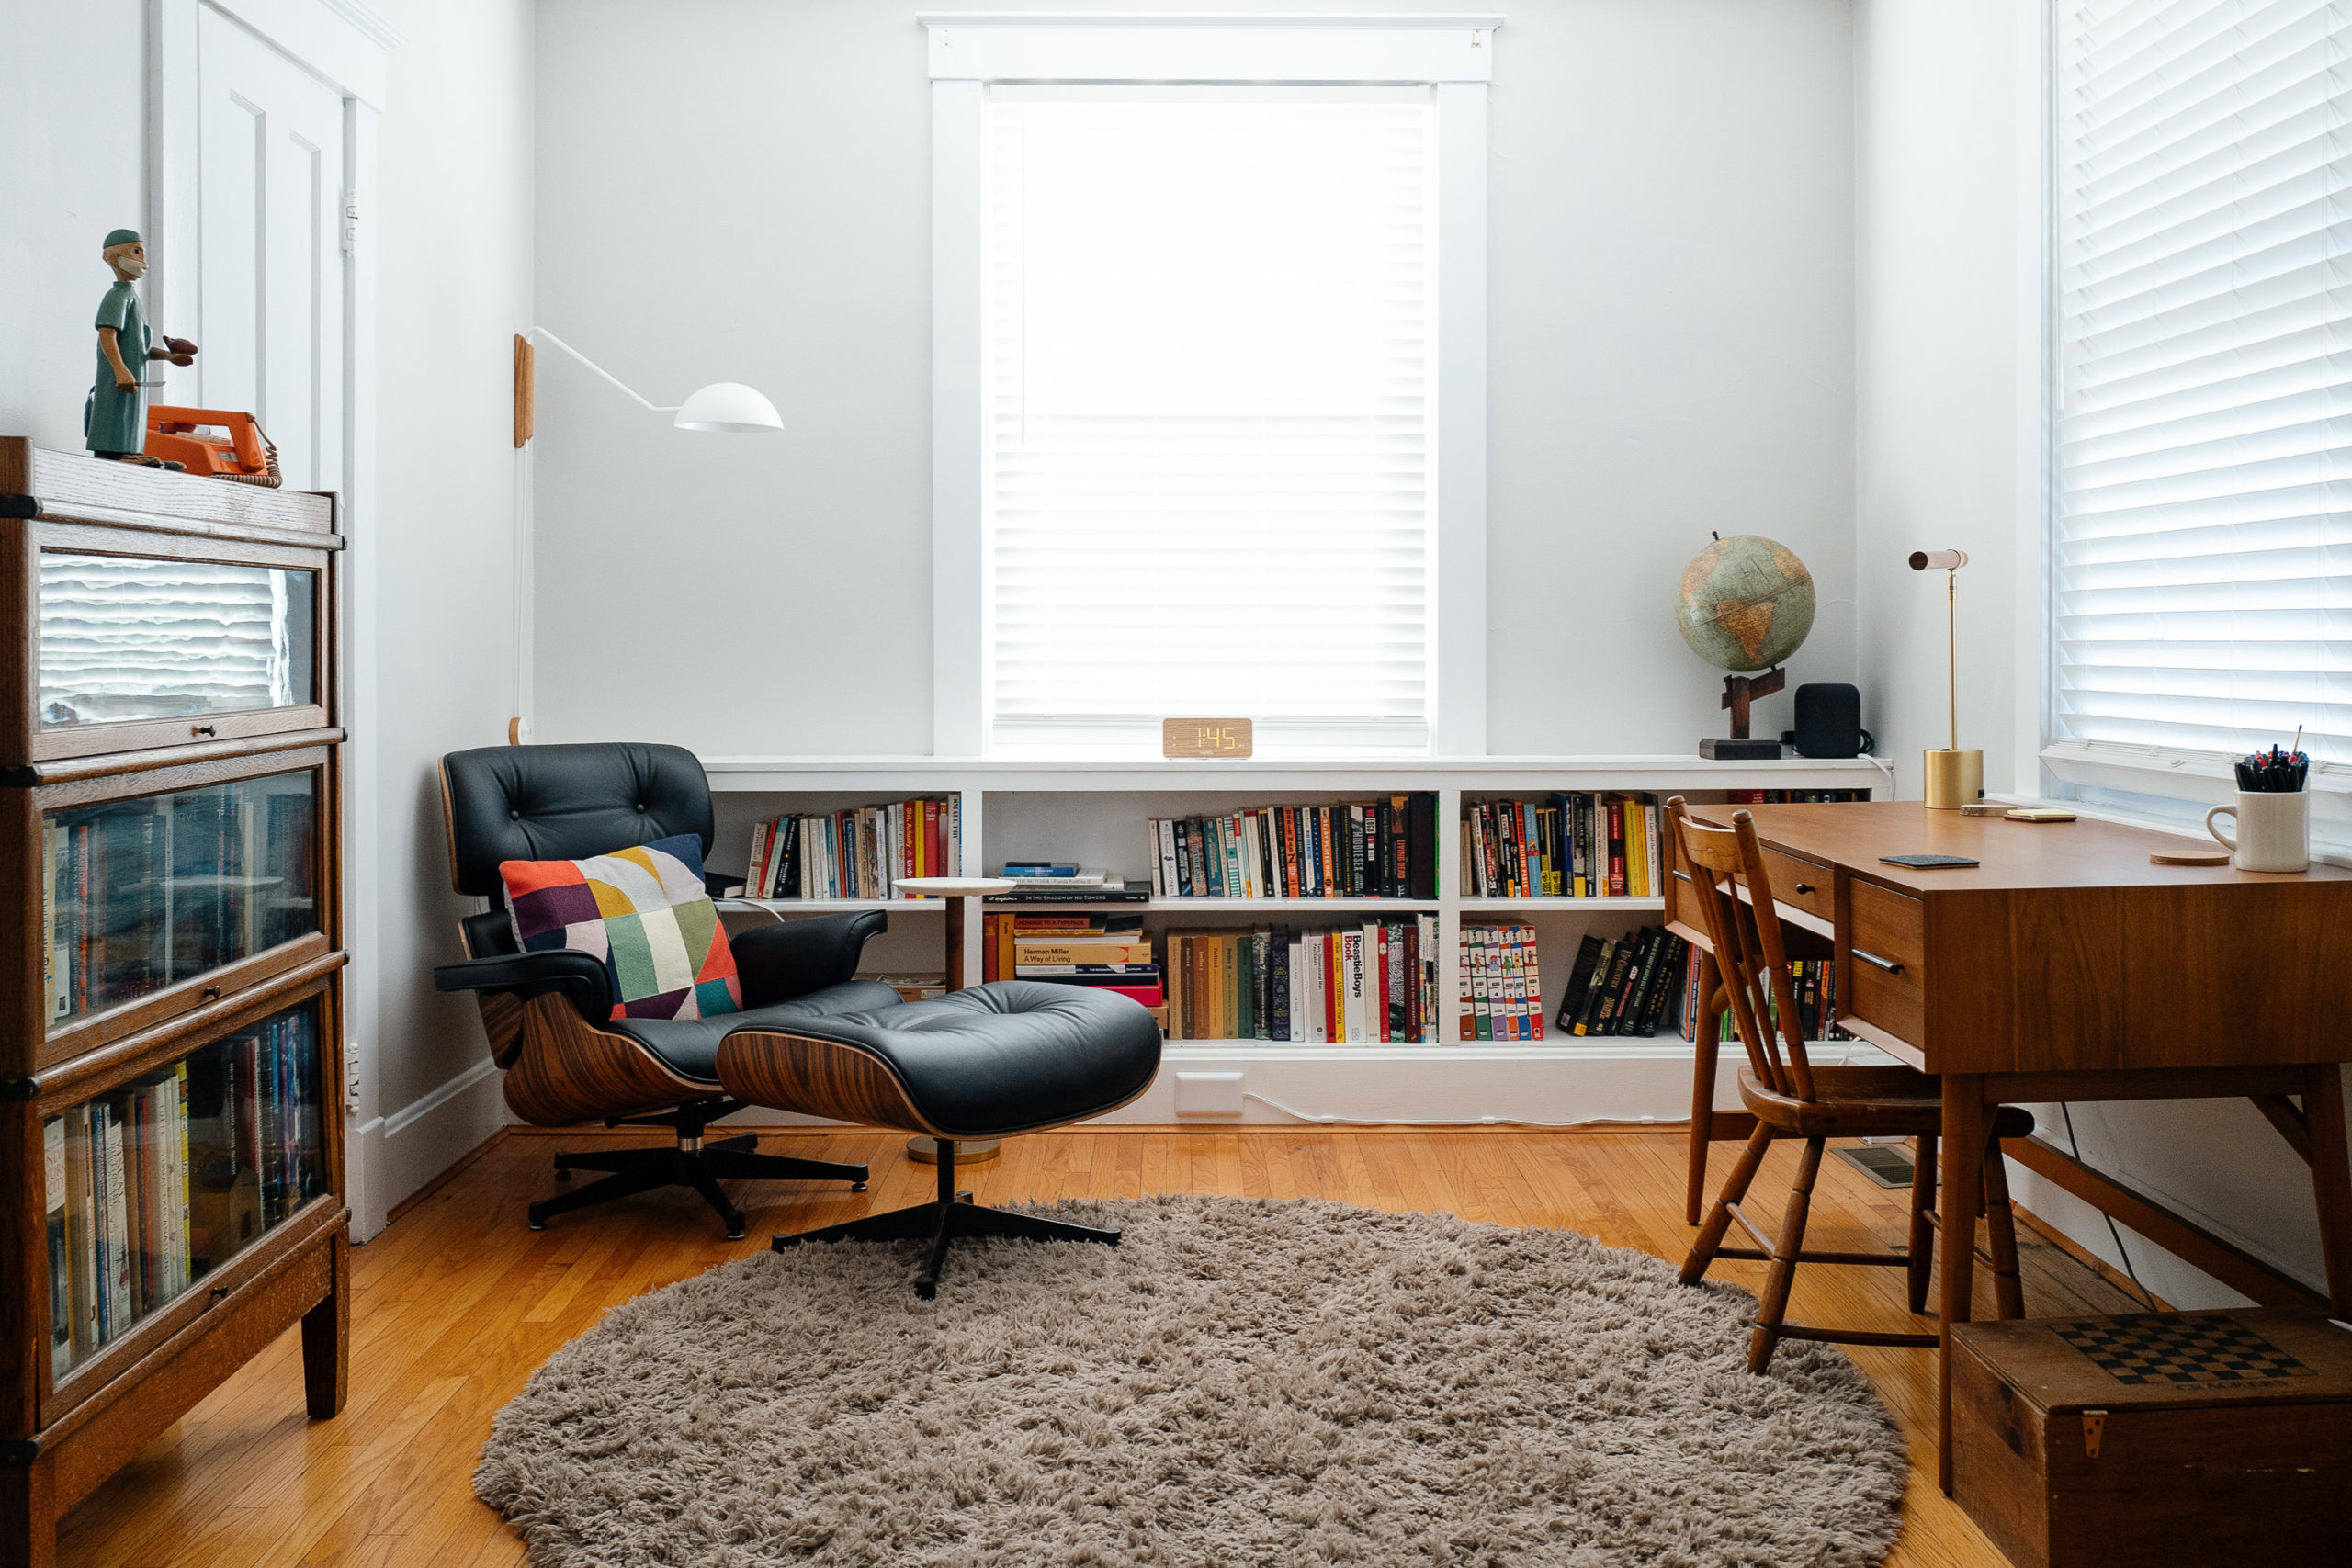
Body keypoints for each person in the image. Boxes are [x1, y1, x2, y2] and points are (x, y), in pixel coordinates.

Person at [86, 229, 197, 465]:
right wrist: (119, 369)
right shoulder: (117, 297)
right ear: (115, 257)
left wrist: (169, 356)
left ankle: (131, 453)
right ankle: (114, 454)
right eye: (137, 252)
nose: (143, 261)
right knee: (117, 413)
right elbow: (107, 334)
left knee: (133, 415)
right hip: (120, 378)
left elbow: (141, 348)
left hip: (134, 377)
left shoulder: (133, 298)